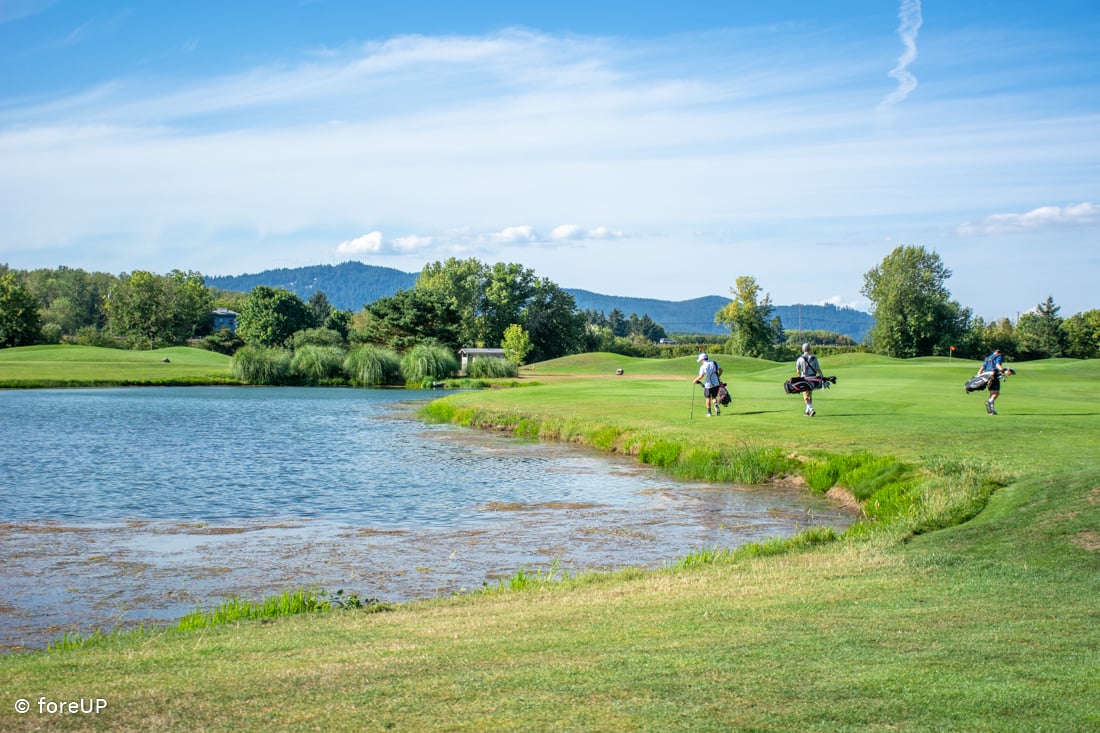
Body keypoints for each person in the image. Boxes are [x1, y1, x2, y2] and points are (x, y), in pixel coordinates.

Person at [693, 352, 722, 417]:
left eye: (700, 360)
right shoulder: (714, 363)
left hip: (708, 385)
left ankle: (709, 412)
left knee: (708, 398)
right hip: (716, 383)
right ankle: (715, 405)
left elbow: (701, 376)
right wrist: (718, 377)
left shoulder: (703, 366)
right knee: (714, 397)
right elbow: (721, 370)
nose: (700, 361)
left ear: (703, 359)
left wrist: (695, 380)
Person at [795, 343, 821, 417]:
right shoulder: (814, 358)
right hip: (813, 379)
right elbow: (818, 369)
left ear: (803, 349)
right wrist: (822, 378)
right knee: (809, 394)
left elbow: (798, 370)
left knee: (805, 395)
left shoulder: (800, 359)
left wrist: (799, 378)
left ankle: (811, 409)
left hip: (805, 379)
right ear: (809, 349)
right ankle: (807, 411)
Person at [982, 348, 1010, 415]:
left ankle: (991, 411)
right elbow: (997, 365)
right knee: (996, 393)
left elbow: (982, 368)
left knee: (991, 393)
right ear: (999, 353)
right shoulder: (998, 356)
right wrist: (1003, 371)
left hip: (986, 376)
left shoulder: (987, 358)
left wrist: (979, 377)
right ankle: (989, 402)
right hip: (993, 375)